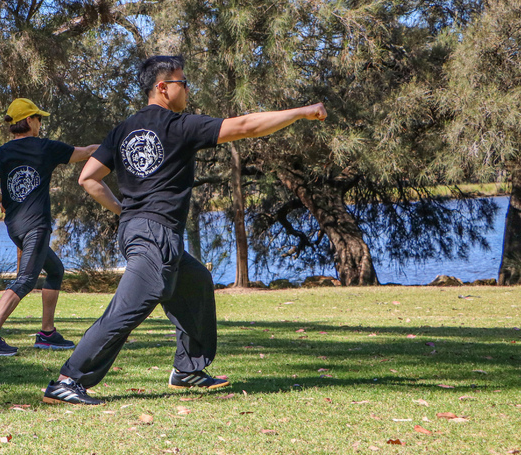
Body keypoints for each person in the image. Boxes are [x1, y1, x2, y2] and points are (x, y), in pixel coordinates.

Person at [42, 56, 328, 405]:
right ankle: (68, 380)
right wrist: (300, 112)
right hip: (155, 233)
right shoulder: (179, 126)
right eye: (183, 82)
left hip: (140, 229)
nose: (188, 88)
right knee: (128, 307)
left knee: (195, 283)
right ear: (163, 87)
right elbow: (247, 126)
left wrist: (126, 212)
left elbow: (88, 178)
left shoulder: (124, 129)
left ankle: (188, 369)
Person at [0, 98, 98, 356]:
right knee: (26, 281)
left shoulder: (1, 152)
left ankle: (47, 334)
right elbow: (87, 152)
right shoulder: (45, 147)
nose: (40, 123)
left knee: (55, 270)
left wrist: (5, 200)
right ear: (30, 120)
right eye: (39, 118)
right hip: (36, 226)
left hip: (15, 227)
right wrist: (114, 146)